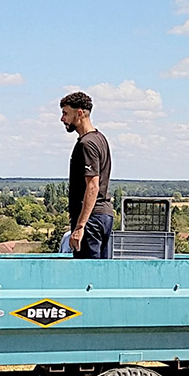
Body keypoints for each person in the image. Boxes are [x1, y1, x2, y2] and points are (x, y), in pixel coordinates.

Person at [59, 91, 113, 259]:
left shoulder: (86, 144)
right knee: (98, 274)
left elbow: (92, 185)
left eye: (66, 113)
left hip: (91, 219)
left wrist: (80, 226)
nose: (62, 119)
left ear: (79, 113)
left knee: (88, 276)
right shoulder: (100, 138)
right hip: (102, 217)